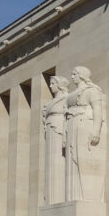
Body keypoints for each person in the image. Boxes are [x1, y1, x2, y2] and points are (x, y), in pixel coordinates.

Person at [65, 66, 105, 201]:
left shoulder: (92, 91)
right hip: (72, 126)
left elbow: (98, 110)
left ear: (81, 75)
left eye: (74, 74)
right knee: (72, 161)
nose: (71, 77)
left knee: (80, 160)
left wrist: (96, 131)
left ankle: (83, 198)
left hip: (83, 125)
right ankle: (72, 198)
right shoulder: (74, 92)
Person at [41, 75, 69, 204]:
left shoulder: (66, 99)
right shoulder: (51, 103)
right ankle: (51, 201)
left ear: (60, 85)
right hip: (51, 131)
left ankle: (57, 200)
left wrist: (65, 136)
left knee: (58, 163)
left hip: (58, 130)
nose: (50, 86)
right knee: (51, 165)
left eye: (53, 83)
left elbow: (67, 119)